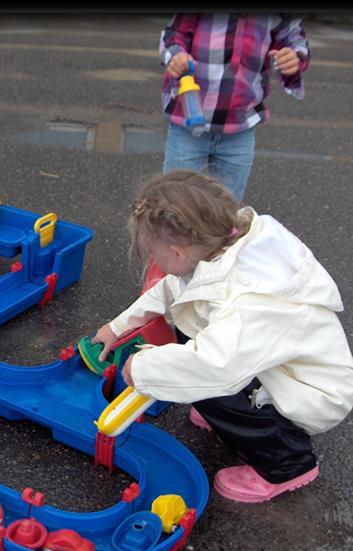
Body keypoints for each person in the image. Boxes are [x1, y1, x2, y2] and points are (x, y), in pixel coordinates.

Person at [92, 171, 353, 503]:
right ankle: (227, 411)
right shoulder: (216, 251)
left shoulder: (252, 300)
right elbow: (170, 292)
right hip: (263, 361)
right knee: (190, 349)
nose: (152, 261)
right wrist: (117, 327)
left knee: (202, 378)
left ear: (176, 253)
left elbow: (215, 366)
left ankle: (288, 465)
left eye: (152, 253)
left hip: (311, 391)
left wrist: (142, 369)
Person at [159, 14, 310, 202]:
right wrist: (175, 55)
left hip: (240, 127)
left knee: (227, 210)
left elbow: (295, 38)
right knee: (176, 204)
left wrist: (295, 57)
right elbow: (174, 33)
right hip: (187, 122)